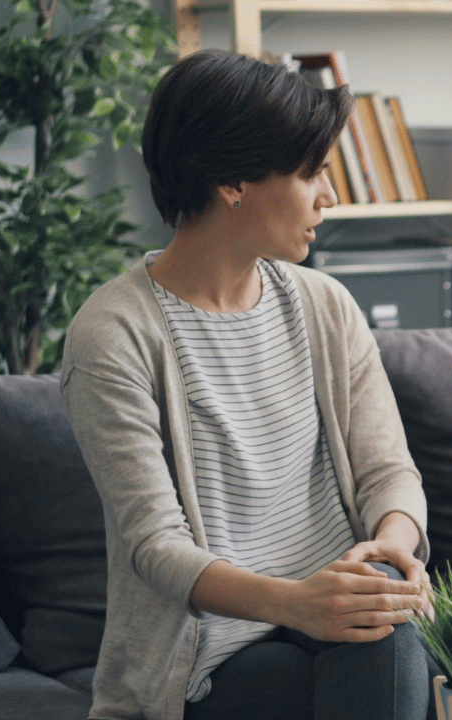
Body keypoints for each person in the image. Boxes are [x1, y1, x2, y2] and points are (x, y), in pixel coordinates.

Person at [61, 50, 432, 720]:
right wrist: (298, 604)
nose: (329, 197)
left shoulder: (325, 304)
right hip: (208, 656)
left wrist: (391, 553)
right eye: (312, 173)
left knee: (385, 631)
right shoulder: (113, 333)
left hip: (340, 618)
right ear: (233, 181)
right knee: (379, 649)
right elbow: (156, 546)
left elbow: (389, 472)